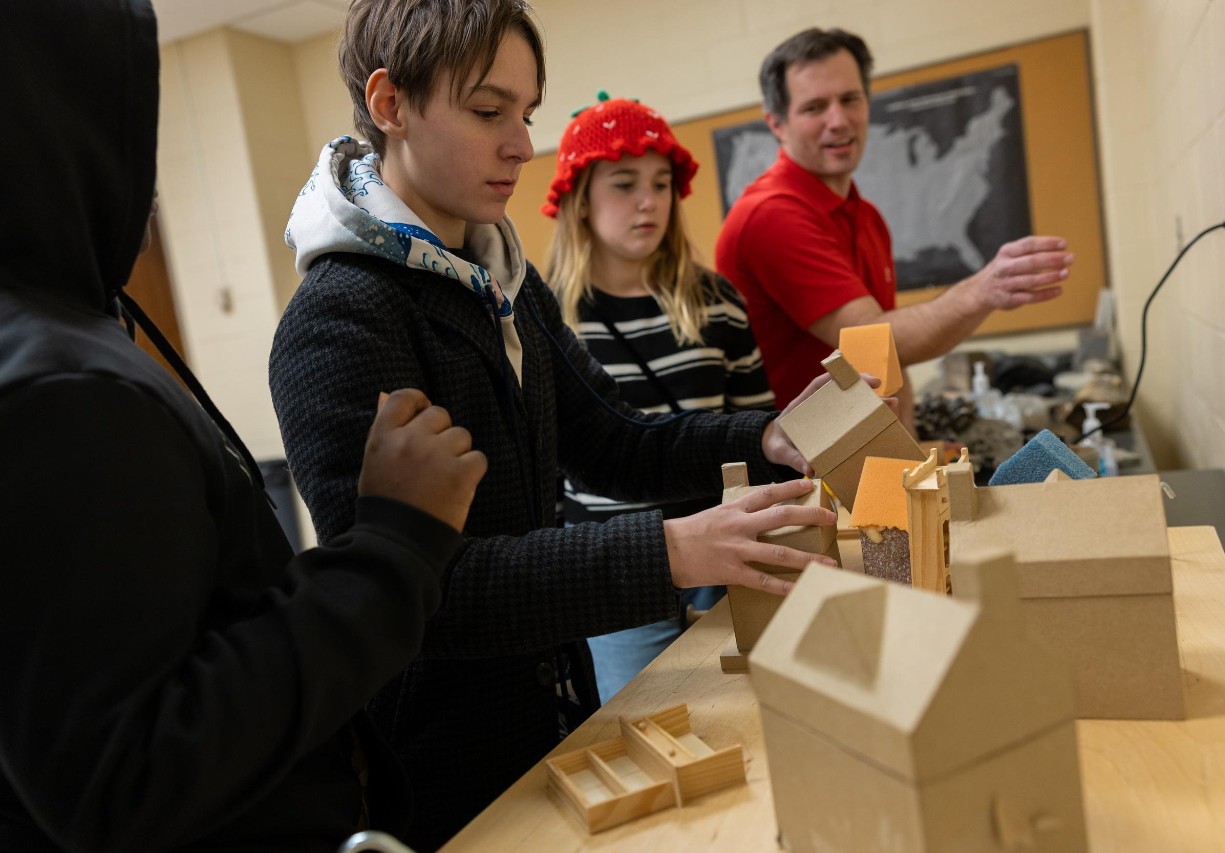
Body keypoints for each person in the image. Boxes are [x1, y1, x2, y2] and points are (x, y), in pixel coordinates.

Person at [267, 1, 850, 848]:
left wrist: (761, 436)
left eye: (527, 114)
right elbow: (417, 592)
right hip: (438, 758)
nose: (521, 144)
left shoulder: (499, 276)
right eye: (488, 111)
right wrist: (671, 550)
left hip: (548, 708)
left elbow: (616, 443)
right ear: (390, 104)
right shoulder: (341, 321)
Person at [0, 1, 487, 851]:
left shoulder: (61, 334)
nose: (515, 142)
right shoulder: (62, 384)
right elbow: (122, 774)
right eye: (487, 111)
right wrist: (395, 543)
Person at [716, 27, 1075, 432]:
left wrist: (909, 454)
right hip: (798, 474)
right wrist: (984, 289)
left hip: (862, 459)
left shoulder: (866, 216)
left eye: (850, 99)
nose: (838, 121)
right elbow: (872, 342)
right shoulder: (770, 215)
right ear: (777, 124)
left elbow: (890, 360)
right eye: (814, 107)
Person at [541, 93, 776, 702]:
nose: (649, 201)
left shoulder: (714, 299)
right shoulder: (548, 318)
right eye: (624, 184)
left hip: (726, 552)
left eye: (662, 183)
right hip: (616, 572)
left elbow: (757, 428)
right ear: (580, 200)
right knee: (645, 723)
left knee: (747, 715)